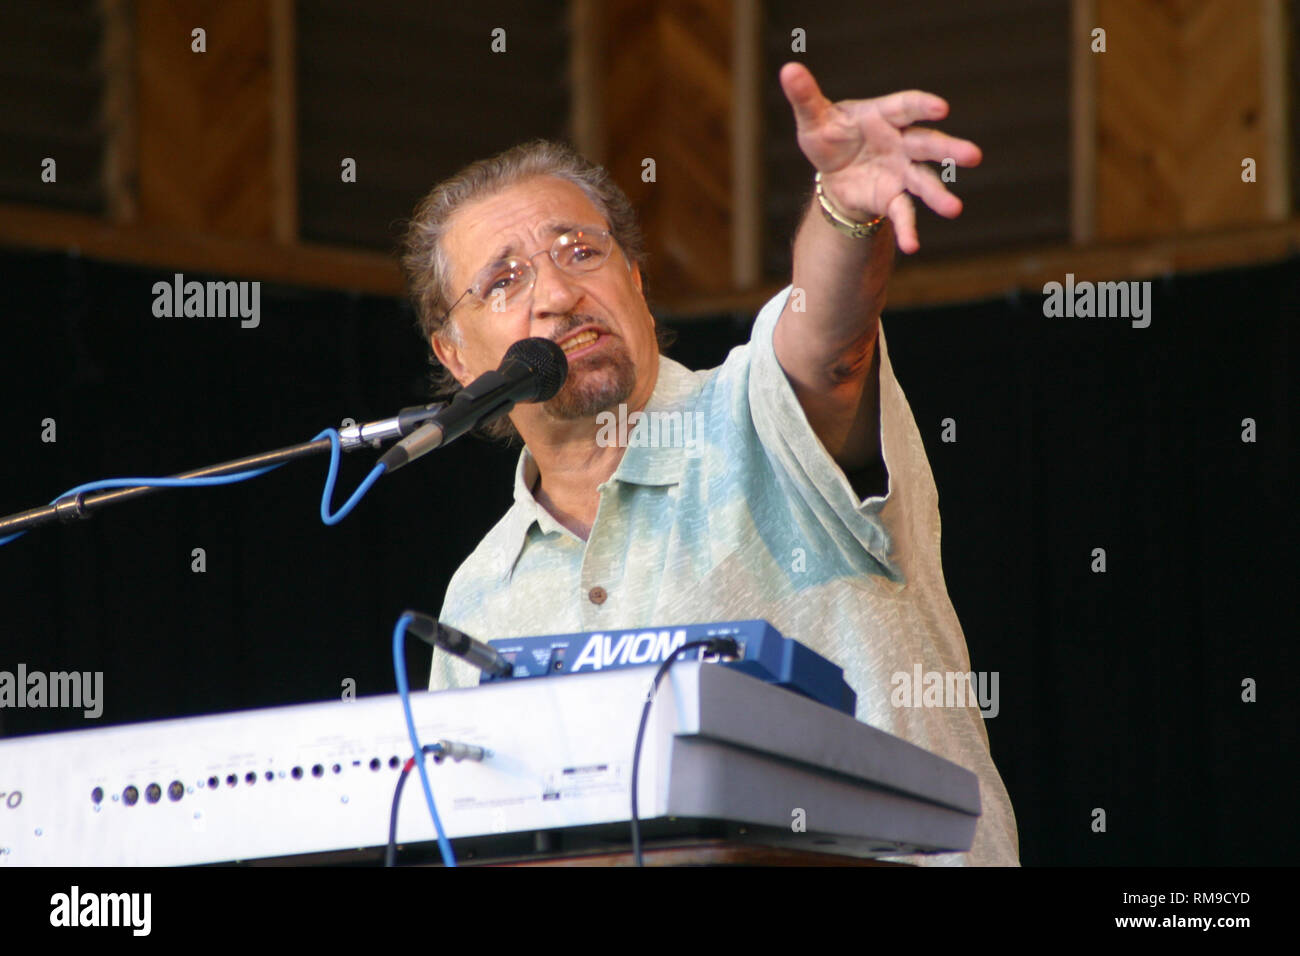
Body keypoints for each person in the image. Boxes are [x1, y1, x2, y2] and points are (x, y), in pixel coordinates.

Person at [402, 63, 1019, 866]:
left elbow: (828, 349)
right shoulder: (478, 597)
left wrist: (841, 209)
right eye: (505, 280)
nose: (556, 292)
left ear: (635, 281)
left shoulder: (756, 411)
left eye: (581, 251)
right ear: (455, 355)